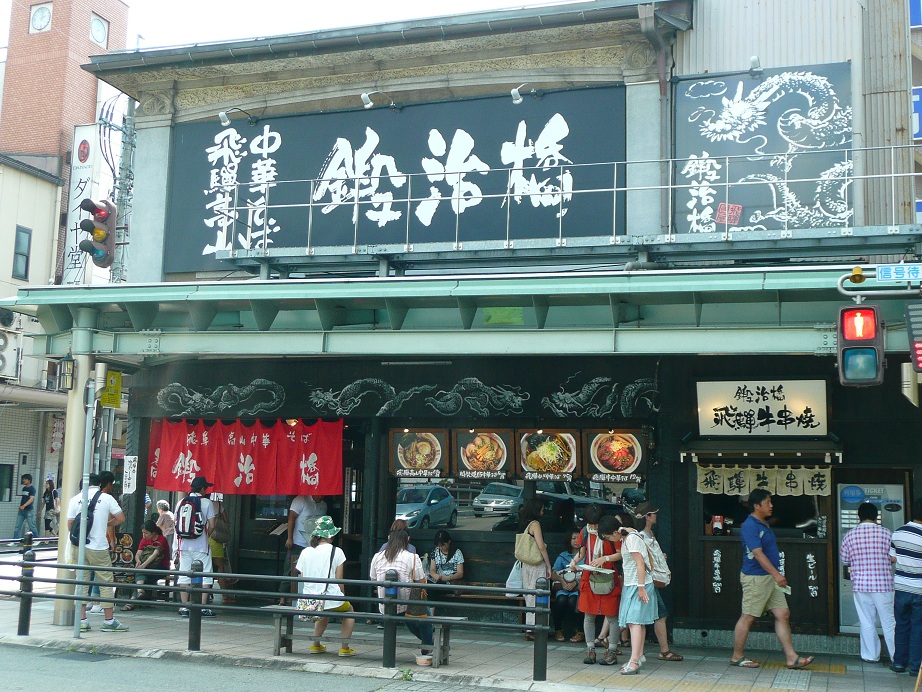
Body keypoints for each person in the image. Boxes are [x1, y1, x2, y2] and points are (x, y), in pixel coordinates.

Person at [730, 488, 813, 670]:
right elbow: (758, 554)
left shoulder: (763, 523)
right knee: (748, 617)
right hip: (756, 578)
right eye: (767, 502)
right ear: (756, 505)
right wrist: (777, 574)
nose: (771, 505)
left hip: (768, 577)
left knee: (783, 614)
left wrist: (774, 575)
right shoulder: (750, 525)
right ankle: (737, 656)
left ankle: (791, 657)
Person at [66, 470, 128, 632]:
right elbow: (121, 518)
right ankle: (108, 621)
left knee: (82, 581)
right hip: (99, 547)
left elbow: (70, 526)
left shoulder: (75, 499)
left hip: (79, 547)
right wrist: (107, 523)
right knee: (106, 582)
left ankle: (82, 620)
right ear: (99, 484)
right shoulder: (106, 498)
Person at [839, 502, 895, 664]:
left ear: (859, 516)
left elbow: (845, 560)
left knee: (866, 621)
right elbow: (894, 558)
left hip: (861, 584)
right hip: (883, 584)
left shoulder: (850, 535)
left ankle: (871, 655)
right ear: (876, 516)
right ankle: (896, 657)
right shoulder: (887, 533)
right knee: (889, 622)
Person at [295, 515, 356, 657]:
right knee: (350, 611)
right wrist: (342, 596)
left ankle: (315, 645)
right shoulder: (337, 551)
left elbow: (303, 577)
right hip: (330, 598)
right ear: (330, 535)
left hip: (309, 600)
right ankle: (344, 648)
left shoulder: (305, 552)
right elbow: (339, 580)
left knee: (323, 612)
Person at [369, 527, 433, 658]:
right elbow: (421, 581)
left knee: (409, 618)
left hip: (384, 605)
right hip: (406, 604)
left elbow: (373, 579)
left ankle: (428, 643)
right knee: (424, 616)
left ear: (389, 539)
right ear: (407, 540)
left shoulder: (377, 556)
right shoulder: (412, 557)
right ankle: (428, 644)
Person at [569, 509, 622, 665]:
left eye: (596, 524)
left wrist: (605, 558)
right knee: (589, 614)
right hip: (590, 575)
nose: (593, 527)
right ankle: (590, 649)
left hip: (609, 575)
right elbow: (582, 553)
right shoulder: (585, 531)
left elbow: (620, 553)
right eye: (591, 524)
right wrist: (574, 562)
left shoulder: (610, 531)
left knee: (612, 615)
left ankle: (612, 650)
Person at [636, 501, 683, 662]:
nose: (656, 516)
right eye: (654, 513)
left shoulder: (648, 534)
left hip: (647, 581)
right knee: (656, 615)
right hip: (646, 582)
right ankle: (663, 651)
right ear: (647, 517)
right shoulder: (641, 536)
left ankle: (661, 651)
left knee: (650, 616)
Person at [617, 516, 658, 674]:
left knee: (634, 622)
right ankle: (638, 656)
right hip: (635, 583)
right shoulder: (630, 536)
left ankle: (634, 661)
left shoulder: (631, 539)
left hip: (638, 584)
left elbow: (640, 563)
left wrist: (641, 587)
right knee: (638, 622)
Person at [175, 475, 217, 618]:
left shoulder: (181, 502)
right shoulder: (207, 503)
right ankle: (203, 607)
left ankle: (184, 607)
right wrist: (205, 534)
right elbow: (212, 525)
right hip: (201, 546)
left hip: (184, 545)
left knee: (184, 575)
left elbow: (176, 523)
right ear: (203, 489)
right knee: (206, 575)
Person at [889, 497, 922, 675]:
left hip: (901, 587)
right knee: (918, 628)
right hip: (919, 589)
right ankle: (916, 667)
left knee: (901, 625)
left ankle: (899, 663)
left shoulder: (898, 532)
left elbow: (892, 558)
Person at [518, 497, 553, 642]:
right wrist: (548, 565)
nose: (543, 512)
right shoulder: (535, 524)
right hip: (537, 564)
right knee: (539, 596)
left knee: (529, 596)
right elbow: (541, 546)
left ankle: (529, 627)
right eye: (542, 509)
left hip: (526, 564)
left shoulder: (523, 523)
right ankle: (536, 628)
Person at [284, 494, 327, 599]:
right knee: (290, 570)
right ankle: (282, 598)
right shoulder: (301, 499)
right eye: (319, 495)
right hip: (298, 542)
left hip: (314, 544)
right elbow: (291, 518)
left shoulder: (323, 505)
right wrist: (290, 538)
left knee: (312, 570)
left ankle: (307, 597)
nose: (321, 497)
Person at [122, 520, 170, 609]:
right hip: (147, 567)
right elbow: (138, 553)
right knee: (142, 576)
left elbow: (154, 555)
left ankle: (133, 600)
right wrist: (138, 561)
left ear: (153, 533)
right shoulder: (144, 539)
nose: (144, 535)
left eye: (146, 533)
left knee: (141, 575)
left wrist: (143, 565)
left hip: (160, 567)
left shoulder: (162, 540)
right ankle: (139, 593)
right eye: (143, 533)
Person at [551, 529, 583, 642]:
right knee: (561, 600)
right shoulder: (563, 556)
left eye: (578, 538)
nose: (576, 541)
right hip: (563, 588)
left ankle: (580, 631)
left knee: (573, 601)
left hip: (578, 589)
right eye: (573, 538)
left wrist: (576, 582)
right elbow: (553, 574)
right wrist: (562, 581)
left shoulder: (585, 556)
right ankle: (558, 629)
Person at [14, 473, 37, 541]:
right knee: (17, 526)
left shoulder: (32, 489)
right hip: (21, 510)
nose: (23, 480)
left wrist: (24, 505)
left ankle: (37, 539)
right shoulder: (24, 488)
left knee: (32, 526)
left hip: (29, 510)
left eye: (25, 479)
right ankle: (15, 540)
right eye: (23, 479)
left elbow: (31, 499)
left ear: (29, 480)